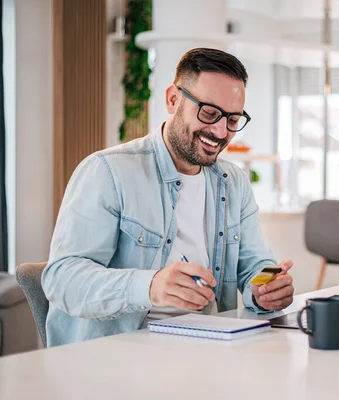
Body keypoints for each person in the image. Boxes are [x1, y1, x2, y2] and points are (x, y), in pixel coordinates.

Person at [42, 48, 294, 347]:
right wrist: (149, 286)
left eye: (233, 119)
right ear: (173, 100)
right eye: (210, 113)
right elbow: (62, 279)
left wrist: (265, 290)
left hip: (208, 347)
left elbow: (256, 265)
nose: (220, 131)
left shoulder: (234, 182)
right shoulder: (108, 171)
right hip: (119, 355)